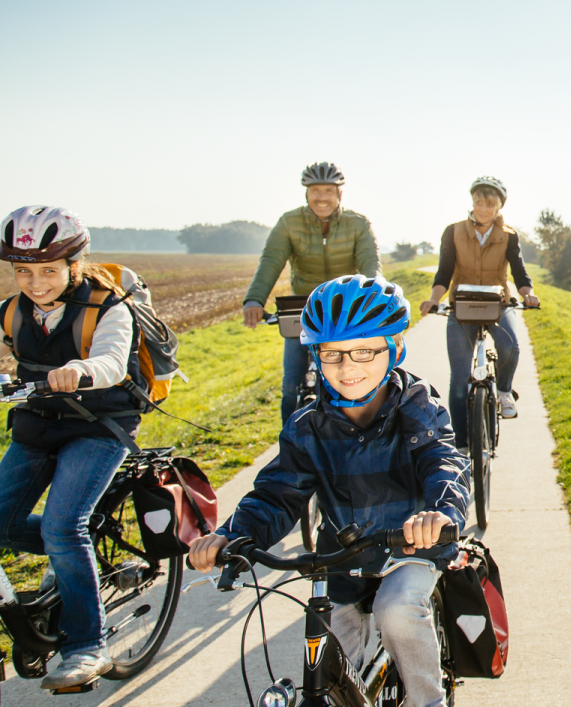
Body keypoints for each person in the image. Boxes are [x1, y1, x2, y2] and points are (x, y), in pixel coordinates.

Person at [190, 275, 469, 707]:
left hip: (411, 545)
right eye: (332, 354)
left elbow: (443, 462)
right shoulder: (308, 426)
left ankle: (427, 701)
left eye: (364, 351)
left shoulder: (417, 406)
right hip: (342, 558)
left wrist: (440, 512)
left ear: (394, 347)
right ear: (315, 355)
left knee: (396, 613)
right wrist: (233, 534)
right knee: (334, 669)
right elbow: (276, 493)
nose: (348, 367)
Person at [0, 206, 143, 689]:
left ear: (72, 266)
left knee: (63, 527)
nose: (35, 282)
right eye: (24, 272)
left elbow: (110, 361)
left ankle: (87, 648)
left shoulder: (108, 307)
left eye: (47, 271)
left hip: (98, 426)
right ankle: (71, 563)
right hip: (38, 423)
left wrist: (80, 370)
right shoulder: (14, 311)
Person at [242, 162, 381, 423]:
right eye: (315, 190)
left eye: (328, 191)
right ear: (306, 193)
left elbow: (370, 267)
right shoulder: (289, 223)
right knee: (291, 386)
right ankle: (290, 450)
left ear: (340, 194)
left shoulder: (358, 224)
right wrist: (254, 300)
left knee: (351, 382)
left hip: (344, 310)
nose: (321, 197)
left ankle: (357, 438)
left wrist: (375, 301)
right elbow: (270, 262)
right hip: (303, 310)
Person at [419, 176, 539, 430]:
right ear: (472, 203)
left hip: (498, 304)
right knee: (459, 380)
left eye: (489, 204)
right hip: (462, 305)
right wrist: (433, 300)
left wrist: (528, 293)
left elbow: (519, 271)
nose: (482, 209)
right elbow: (444, 271)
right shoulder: (453, 232)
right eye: (478, 203)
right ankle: (462, 445)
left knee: (510, 347)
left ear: (498, 208)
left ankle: (505, 391)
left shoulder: (508, 236)